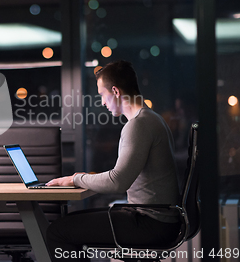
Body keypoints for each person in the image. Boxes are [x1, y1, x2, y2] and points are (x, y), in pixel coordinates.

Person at [45, 60, 181, 261]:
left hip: (150, 223)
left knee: (57, 232)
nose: (102, 102)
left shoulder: (138, 125)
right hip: (158, 219)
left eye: (102, 94)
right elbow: (124, 174)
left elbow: (118, 181)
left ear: (115, 91)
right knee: (69, 223)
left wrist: (76, 179)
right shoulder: (152, 118)